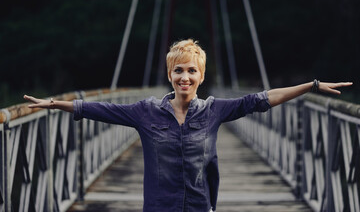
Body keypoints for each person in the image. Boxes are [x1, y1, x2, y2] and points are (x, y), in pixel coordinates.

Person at [24, 39, 352, 212]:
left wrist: (310, 85)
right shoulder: (145, 112)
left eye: (192, 71)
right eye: (179, 70)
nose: (185, 77)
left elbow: (262, 98)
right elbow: (99, 109)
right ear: (170, 75)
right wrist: (53, 104)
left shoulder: (214, 111)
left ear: (202, 76)